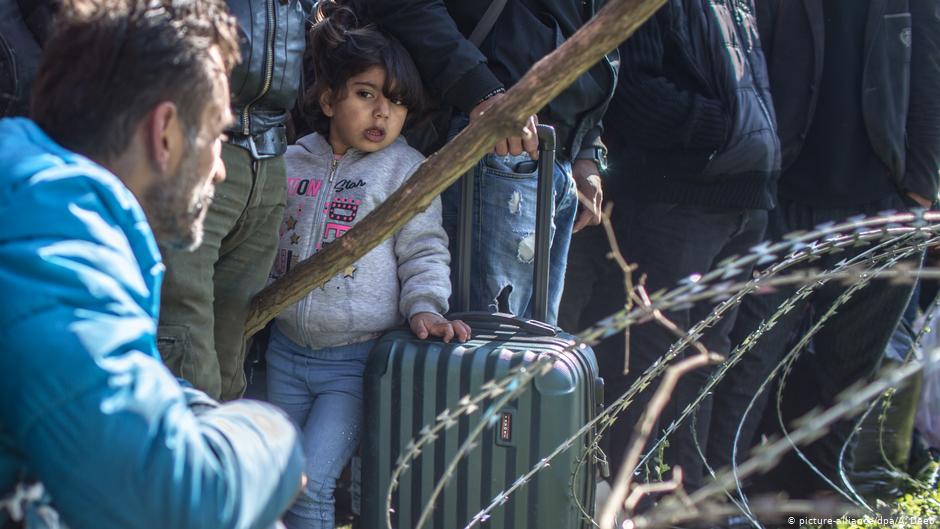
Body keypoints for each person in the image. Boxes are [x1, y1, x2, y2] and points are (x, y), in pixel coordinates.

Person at [0, 1, 304, 528]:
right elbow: (175, 498)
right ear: (165, 132)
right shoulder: (55, 242)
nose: (220, 172)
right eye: (217, 136)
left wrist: (197, 416)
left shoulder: (34, 200)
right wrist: (271, 437)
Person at [708, 0, 940, 501]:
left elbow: (929, 78)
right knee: (748, 365)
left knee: (849, 379)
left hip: (881, 207)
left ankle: (816, 507)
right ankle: (718, 503)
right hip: (782, 198)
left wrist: (919, 194)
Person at [264, 3, 470, 528]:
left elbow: (424, 250)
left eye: (396, 103)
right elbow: (263, 244)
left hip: (354, 364)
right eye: (365, 95)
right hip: (284, 354)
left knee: (309, 484)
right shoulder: (291, 162)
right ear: (329, 99)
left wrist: (426, 307)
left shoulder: (406, 171)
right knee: (273, 479)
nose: (382, 113)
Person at [600, 0, 780, 493]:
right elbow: (631, 88)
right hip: (678, 198)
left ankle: (685, 502)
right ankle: (626, 502)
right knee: (652, 362)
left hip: (745, 198)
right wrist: (722, 129)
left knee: (706, 362)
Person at [367, 0, 619, 325]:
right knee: (483, 348)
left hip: (556, 158)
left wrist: (587, 147)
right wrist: (481, 91)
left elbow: (596, 28)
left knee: (525, 350)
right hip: (489, 144)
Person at [156, 0, 307, 401]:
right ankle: (192, 453)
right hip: (196, 137)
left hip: (271, 150)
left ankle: (220, 454)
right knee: (182, 326)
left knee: (232, 333)